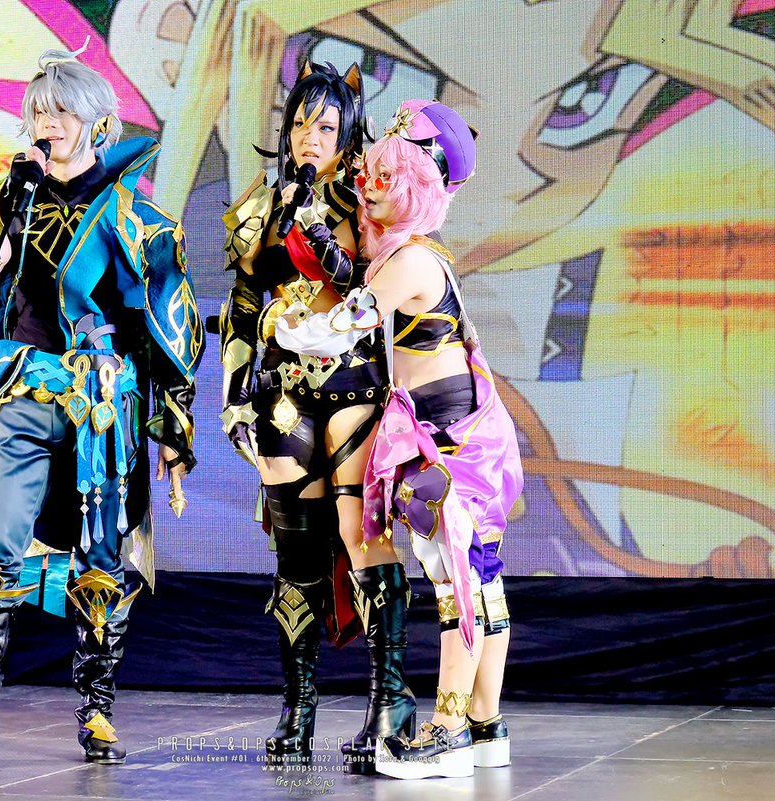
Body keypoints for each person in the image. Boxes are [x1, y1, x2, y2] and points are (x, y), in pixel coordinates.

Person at [0, 43, 203, 769]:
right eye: (38, 113)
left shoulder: (135, 217)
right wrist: (5, 199)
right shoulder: (16, 199)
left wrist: (174, 429)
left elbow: (172, 325)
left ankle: (97, 714)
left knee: (101, 565)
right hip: (21, 393)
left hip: (101, 410)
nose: (46, 124)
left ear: (98, 123)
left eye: (60, 112)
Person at [276, 100, 524, 779]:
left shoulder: (412, 260)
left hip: (448, 438)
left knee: (457, 581)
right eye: (370, 173)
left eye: (384, 176)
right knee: (480, 579)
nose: (367, 184)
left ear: (414, 185)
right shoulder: (415, 255)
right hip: (456, 426)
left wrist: (287, 324)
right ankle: (485, 725)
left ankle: (448, 730)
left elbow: (338, 328)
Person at [219, 61, 415, 772]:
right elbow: (243, 305)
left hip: (355, 385)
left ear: (348, 131)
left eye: (326, 126)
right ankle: (297, 707)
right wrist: (233, 394)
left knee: (364, 541)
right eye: (301, 123)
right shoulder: (262, 207)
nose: (310, 136)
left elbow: (376, 285)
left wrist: (319, 230)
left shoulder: (370, 200)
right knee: (296, 559)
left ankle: (389, 701)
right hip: (282, 393)